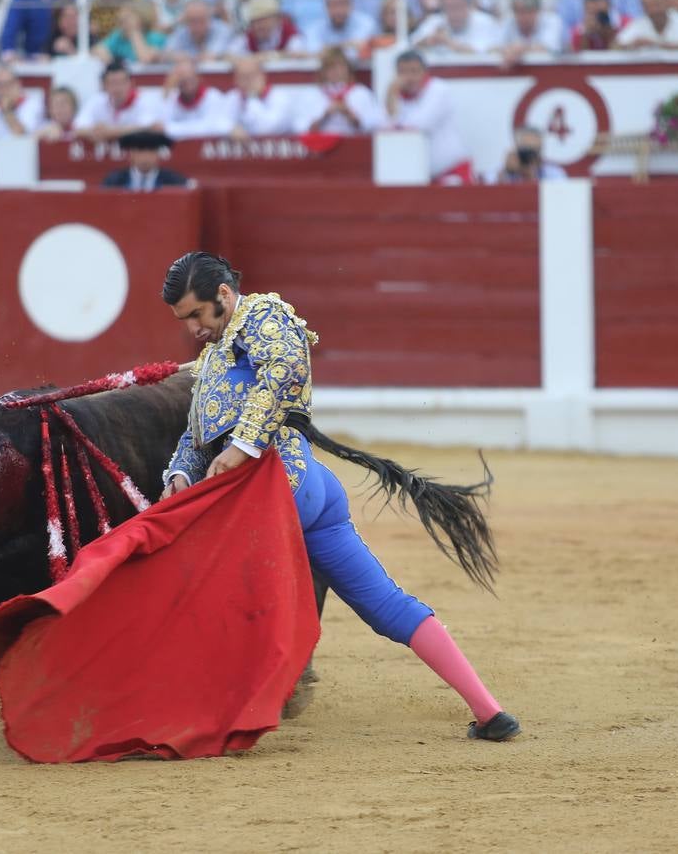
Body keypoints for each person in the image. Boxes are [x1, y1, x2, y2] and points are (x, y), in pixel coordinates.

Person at [158, 253, 521, 743]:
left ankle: (205, 708)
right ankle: (490, 712)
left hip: (282, 483)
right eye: (186, 321)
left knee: (207, 585)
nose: (195, 328)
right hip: (308, 490)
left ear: (224, 295)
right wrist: (182, 472)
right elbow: (197, 437)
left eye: (198, 314)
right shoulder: (215, 360)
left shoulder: (264, 314)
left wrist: (243, 446)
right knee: (385, 605)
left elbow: (284, 368)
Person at [385, 49, 473, 184]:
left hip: (452, 172)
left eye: (414, 71)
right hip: (419, 177)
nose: (409, 78)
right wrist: (391, 96)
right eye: (403, 72)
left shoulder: (439, 89)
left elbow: (420, 124)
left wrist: (392, 99)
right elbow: (386, 127)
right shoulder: (397, 95)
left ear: (425, 72)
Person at [292, 46, 383, 135]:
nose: (337, 71)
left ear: (348, 69)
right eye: (331, 67)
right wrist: (325, 115)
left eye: (341, 67)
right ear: (323, 71)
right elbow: (300, 127)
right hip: (320, 145)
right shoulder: (311, 94)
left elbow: (376, 124)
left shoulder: (361, 92)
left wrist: (350, 115)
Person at [75, 60, 165, 140]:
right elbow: (78, 127)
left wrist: (110, 132)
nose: (117, 88)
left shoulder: (144, 100)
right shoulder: (96, 100)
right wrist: (94, 131)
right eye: (112, 83)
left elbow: (151, 127)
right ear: (104, 85)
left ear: (131, 83)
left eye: (121, 83)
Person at [411, 0, 499, 52]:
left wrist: (448, 42)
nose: (453, 13)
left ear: (470, 6)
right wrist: (426, 42)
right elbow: (408, 48)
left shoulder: (485, 22)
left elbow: (481, 53)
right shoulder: (434, 21)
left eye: (458, 6)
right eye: (449, 7)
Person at [161, 54, 236, 138]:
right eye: (182, 79)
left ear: (198, 77)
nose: (186, 82)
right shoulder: (172, 98)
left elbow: (210, 128)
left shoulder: (212, 96)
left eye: (190, 78)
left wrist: (171, 129)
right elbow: (161, 126)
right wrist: (166, 93)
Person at [228, 54, 298, 136]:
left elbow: (265, 129)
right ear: (236, 79)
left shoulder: (280, 96)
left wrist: (252, 96)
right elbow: (217, 122)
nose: (247, 81)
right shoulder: (233, 96)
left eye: (251, 75)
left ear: (262, 76)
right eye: (242, 76)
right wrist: (230, 129)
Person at [227, 0, 308, 56]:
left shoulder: (291, 35)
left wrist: (261, 58)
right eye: (255, 21)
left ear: (277, 19)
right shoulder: (247, 37)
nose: (259, 25)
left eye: (263, 20)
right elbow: (229, 54)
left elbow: (298, 54)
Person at [102, 130, 192, 189]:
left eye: (150, 151)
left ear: (158, 154)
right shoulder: (114, 181)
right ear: (131, 154)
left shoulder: (174, 181)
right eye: (140, 151)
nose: (145, 157)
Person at [304, 0, 377, 54]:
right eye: (334, 5)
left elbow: (357, 51)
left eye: (342, 4)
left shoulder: (366, 22)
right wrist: (347, 45)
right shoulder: (315, 27)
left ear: (351, 4)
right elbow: (312, 50)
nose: (338, 10)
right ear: (326, 7)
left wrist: (327, 49)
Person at [497, 0, 566, 62]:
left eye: (529, 11)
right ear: (514, 12)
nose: (525, 16)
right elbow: (493, 48)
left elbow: (550, 49)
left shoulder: (552, 20)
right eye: (520, 11)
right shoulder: (508, 21)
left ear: (538, 11)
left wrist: (520, 49)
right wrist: (507, 51)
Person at [93, 0, 168, 64]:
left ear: (141, 19)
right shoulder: (118, 36)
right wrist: (113, 63)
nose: (122, 24)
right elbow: (97, 50)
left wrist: (134, 33)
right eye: (120, 20)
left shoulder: (155, 37)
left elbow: (146, 59)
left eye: (127, 18)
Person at [164, 0, 233, 58]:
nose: (197, 26)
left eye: (201, 21)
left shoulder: (222, 30)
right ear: (186, 21)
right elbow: (167, 53)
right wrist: (172, 56)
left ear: (209, 19)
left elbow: (211, 56)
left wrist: (185, 58)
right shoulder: (181, 31)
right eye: (192, 21)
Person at [493, 125, 566, 182]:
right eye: (525, 150)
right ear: (517, 148)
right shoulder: (502, 171)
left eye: (534, 151)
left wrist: (530, 176)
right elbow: (492, 194)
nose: (529, 156)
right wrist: (506, 172)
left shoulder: (554, 173)